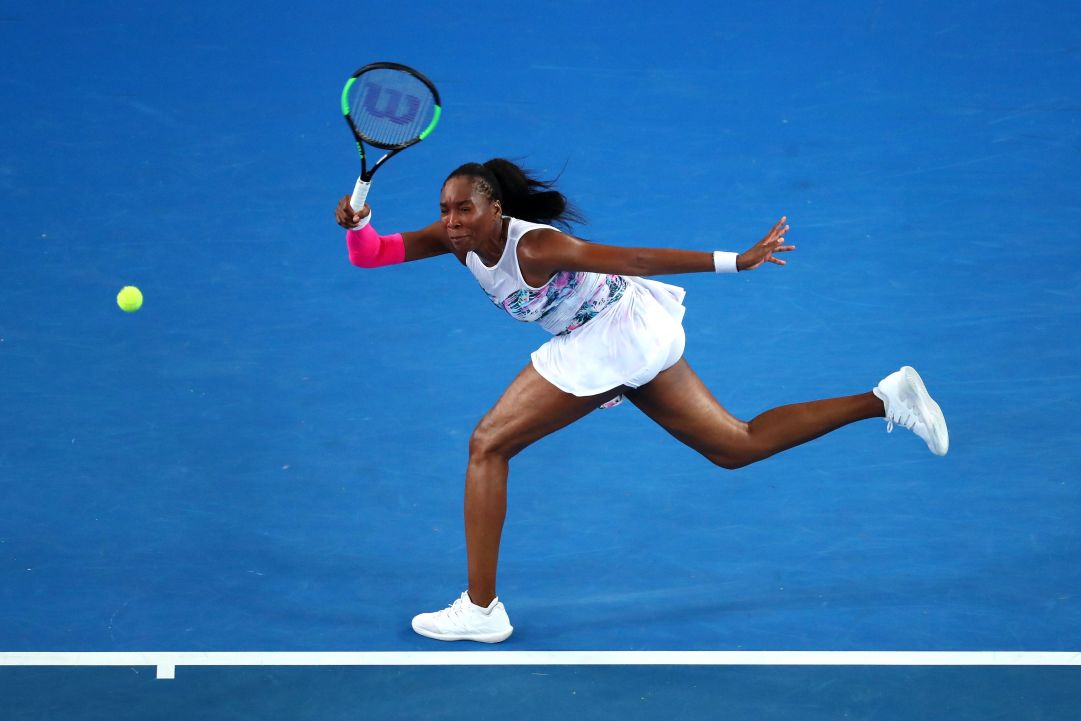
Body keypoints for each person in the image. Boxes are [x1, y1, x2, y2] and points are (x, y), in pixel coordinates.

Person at [334, 158, 949, 644]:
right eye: (444, 210)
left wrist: (738, 261)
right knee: (735, 445)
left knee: (487, 445)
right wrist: (358, 223)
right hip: (617, 333)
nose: (452, 220)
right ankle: (885, 398)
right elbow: (372, 254)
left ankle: (480, 608)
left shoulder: (534, 249)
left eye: (464, 208)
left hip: (613, 333)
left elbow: (632, 258)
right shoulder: (453, 240)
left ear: (494, 207)